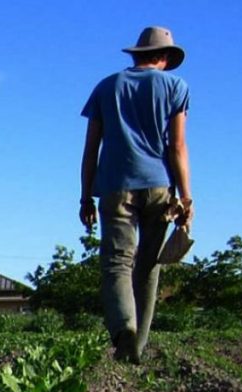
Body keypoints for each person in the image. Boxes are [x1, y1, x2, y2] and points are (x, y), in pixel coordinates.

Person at [79, 26, 193, 364]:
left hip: (114, 185)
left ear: (138, 54)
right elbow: (177, 147)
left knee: (117, 263)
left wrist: (86, 196)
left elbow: (90, 150)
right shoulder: (176, 87)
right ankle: (137, 347)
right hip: (159, 185)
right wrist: (186, 197)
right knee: (148, 266)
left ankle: (123, 331)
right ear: (164, 57)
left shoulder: (106, 87)